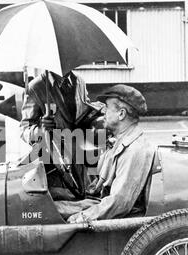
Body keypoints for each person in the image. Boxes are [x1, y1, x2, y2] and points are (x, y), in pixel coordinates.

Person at [55, 84, 155, 223]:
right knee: (50, 206)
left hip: (115, 216)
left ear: (121, 114)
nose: (104, 113)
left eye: (107, 108)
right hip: (101, 203)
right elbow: (100, 184)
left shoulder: (134, 150)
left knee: (51, 214)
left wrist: (81, 217)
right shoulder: (118, 141)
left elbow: (119, 203)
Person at [20, 70, 104, 199]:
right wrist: (42, 130)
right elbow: (25, 129)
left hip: (82, 158)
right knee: (65, 203)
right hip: (57, 163)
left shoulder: (79, 81)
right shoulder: (36, 87)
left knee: (87, 199)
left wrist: (94, 116)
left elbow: (83, 109)